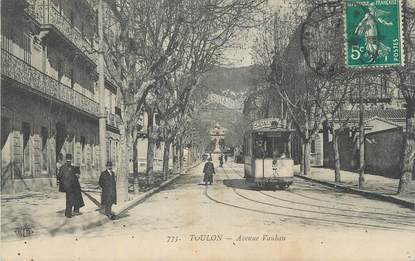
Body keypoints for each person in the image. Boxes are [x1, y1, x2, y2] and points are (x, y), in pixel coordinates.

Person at [59, 154, 85, 218]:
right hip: (72, 186)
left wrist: (63, 184)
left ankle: (68, 212)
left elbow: (59, 176)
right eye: (70, 160)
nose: (69, 161)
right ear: (71, 159)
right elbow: (77, 176)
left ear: (66, 159)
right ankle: (69, 213)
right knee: (71, 199)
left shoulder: (62, 167)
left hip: (66, 186)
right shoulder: (73, 168)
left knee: (68, 199)